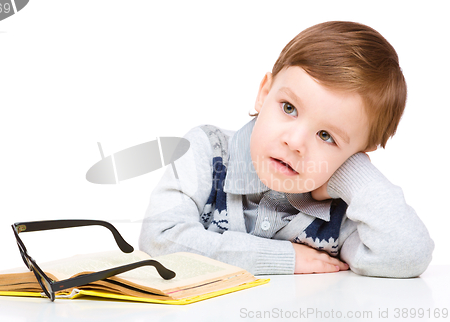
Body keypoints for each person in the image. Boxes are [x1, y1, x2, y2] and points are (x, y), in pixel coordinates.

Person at [138, 21, 434, 277]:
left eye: (326, 135)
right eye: (289, 108)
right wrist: (283, 258)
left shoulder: (341, 212)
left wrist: (353, 173)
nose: (294, 142)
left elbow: (407, 255)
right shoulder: (208, 151)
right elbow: (160, 240)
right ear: (264, 93)